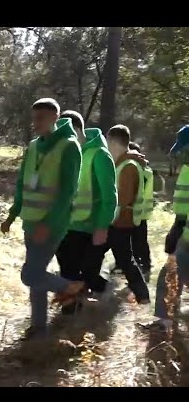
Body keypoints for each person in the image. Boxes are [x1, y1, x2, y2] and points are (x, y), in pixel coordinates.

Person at [1, 98, 84, 340]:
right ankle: (39, 328)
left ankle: (71, 288)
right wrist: (12, 214)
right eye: (34, 117)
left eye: (41, 118)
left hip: (51, 225)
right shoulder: (34, 146)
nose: (35, 123)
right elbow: (21, 184)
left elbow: (68, 193)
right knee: (37, 274)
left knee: (30, 275)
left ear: (55, 118)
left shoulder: (69, 147)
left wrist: (47, 225)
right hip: (30, 222)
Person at [55, 110, 117, 314]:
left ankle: (105, 291)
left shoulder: (99, 154)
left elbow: (110, 196)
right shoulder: (65, 153)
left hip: (88, 228)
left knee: (86, 275)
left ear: (77, 129)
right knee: (68, 274)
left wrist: (102, 227)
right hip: (64, 225)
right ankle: (69, 315)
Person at [138, 125, 189, 333]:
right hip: (186, 233)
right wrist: (178, 226)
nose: (181, 154)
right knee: (169, 276)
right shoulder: (186, 169)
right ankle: (164, 322)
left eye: (184, 149)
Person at [100, 125, 150, 303]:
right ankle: (141, 296)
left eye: (107, 141)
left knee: (125, 261)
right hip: (115, 221)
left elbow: (124, 198)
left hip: (119, 222)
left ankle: (142, 296)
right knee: (122, 259)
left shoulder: (128, 166)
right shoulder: (123, 161)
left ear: (113, 141)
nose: (105, 145)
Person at [128, 142, 153, 274]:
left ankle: (144, 263)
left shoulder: (142, 172)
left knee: (139, 241)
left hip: (138, 212)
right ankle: (144, 262)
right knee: (138, 240)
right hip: (141, 212)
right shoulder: (146, 171)